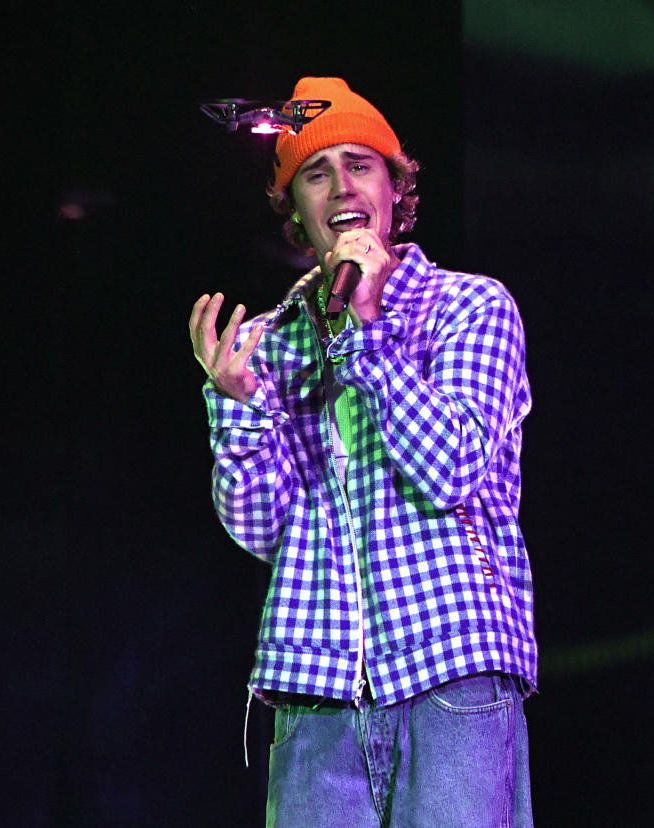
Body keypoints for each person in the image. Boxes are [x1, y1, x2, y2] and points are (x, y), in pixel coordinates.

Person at [189, 77, 537, 827]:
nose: (341, 185)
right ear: (295, 209)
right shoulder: (275, 340)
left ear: (395, 188)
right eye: (316, 173)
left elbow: (451, 468)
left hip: (449, 676)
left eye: (361, 164)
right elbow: (259, 531)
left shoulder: (469, 307)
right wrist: (240, 406)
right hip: (317, 693)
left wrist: (367, 330)